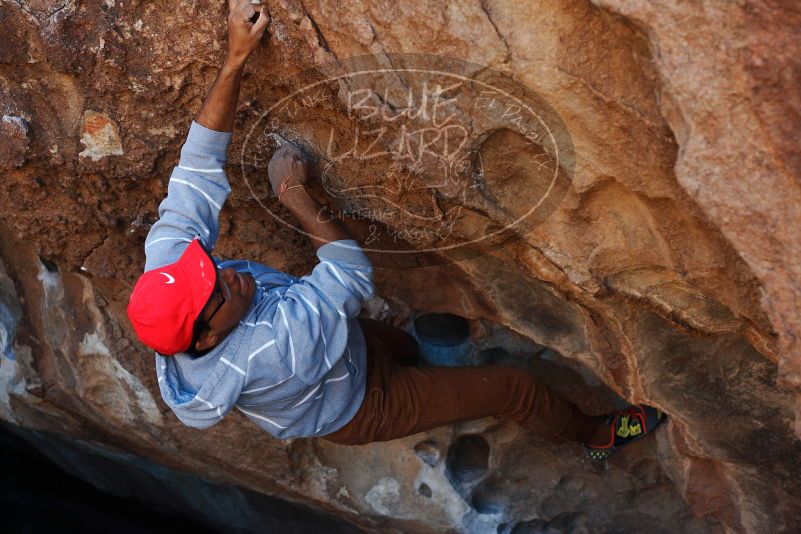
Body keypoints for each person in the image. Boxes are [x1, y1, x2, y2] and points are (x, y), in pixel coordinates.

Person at [126, 0, 665, 461]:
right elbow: (347, 272)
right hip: (361, 406)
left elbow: (196, 168)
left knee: (403, 345)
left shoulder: (171, 273)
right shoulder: (269, 349)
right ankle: (591, 434)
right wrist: (296, 198)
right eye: (218, 291)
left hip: (340, 352)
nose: (226, 274)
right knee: (514, 389)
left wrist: (235, 59)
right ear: (210, 337)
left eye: (208, 269)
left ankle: (433, 370)